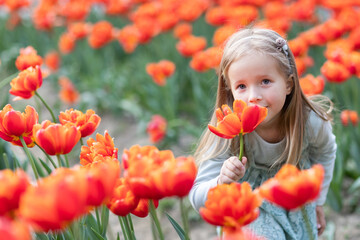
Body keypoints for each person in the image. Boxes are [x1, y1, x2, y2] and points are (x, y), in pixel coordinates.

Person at [189, 28, 336, 240]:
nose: (253, 96)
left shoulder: (309, 122)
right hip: (251, 209)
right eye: (241, 86)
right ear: (230, 91)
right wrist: (221, 182)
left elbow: (326, 153)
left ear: (288, 84)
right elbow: (197, 197)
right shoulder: (227, 130)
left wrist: (319, 200)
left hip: (295, 204)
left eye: (265, 81)